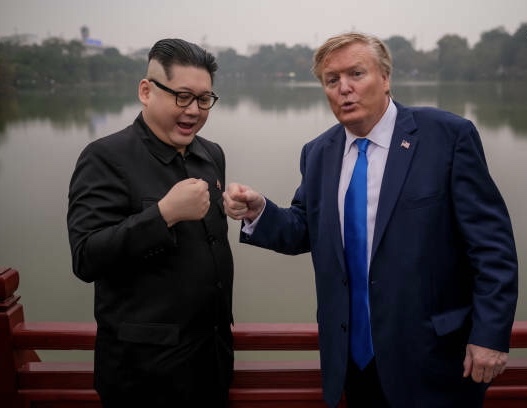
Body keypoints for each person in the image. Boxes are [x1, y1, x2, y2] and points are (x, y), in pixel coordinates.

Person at [223, 32, 518, 408]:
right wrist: (260, 211)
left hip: (435, 359)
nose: (344, 88)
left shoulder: (447, 137)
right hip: (353, 360)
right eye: (332, 79)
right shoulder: (318, 153)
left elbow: (492, 248)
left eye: (356, 74)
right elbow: (306, 228)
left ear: (386, 77)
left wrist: (490, 335)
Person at [67, 38, 234, 408]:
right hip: (143, 376)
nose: (194, 110)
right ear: (146, 91)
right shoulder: (105, 157)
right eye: (183, 97)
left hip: (211, 363)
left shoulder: (211, 154)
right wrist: (164, 214)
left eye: (204, 99)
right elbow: (86, 257)